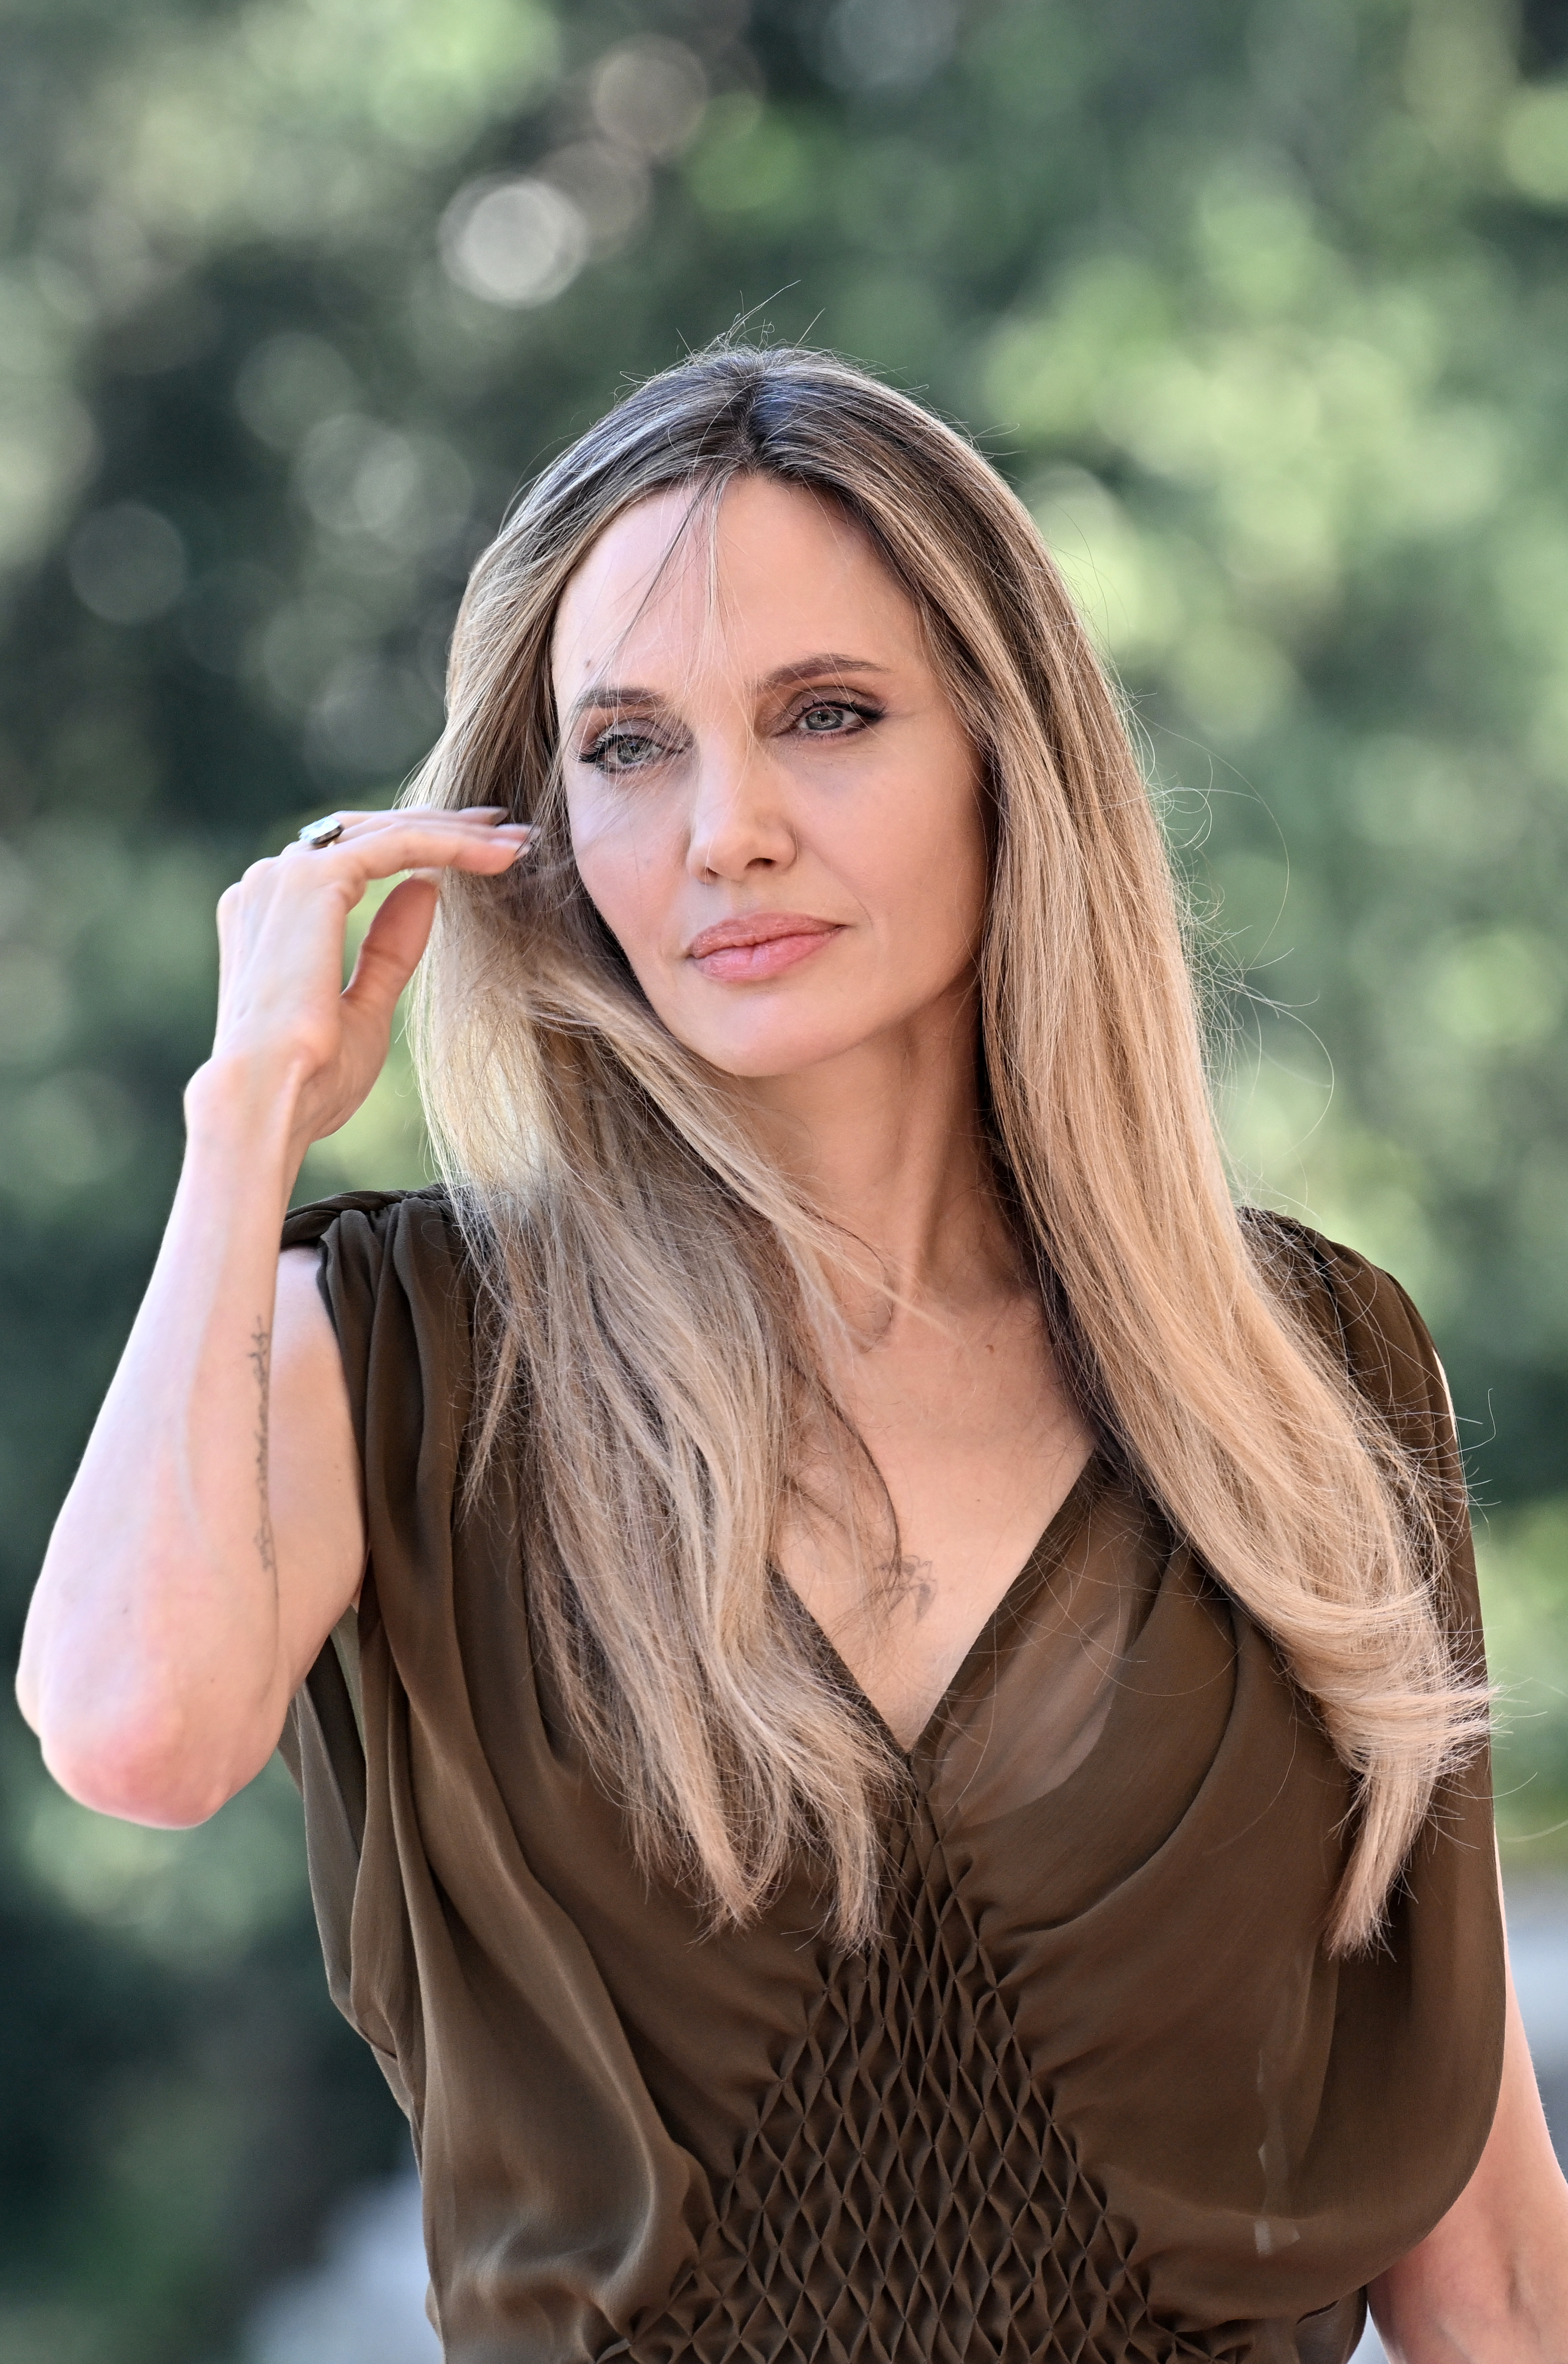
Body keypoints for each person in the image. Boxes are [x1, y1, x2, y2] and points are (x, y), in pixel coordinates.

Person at [15, 346, 1568, 2363]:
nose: (724, 828)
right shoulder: (390, 1349)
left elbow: (1491, 2267)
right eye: (628, 747)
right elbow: (132, 1732)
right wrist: (247, 1121)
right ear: (538, 824)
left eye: (825, 717)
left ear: (1009, 757)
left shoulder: (1312, 1376)